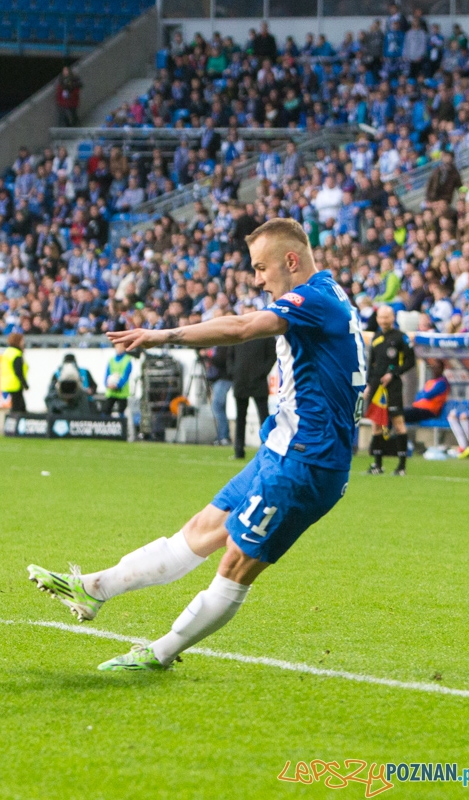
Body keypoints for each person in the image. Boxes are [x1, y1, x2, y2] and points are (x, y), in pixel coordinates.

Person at [28, 218, 365, 672]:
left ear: (291, 260)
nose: (258, 278)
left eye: (261, 267)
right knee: (200, 530)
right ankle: (95, 588)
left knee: (235, 565)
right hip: (282, 450)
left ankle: (159, 653)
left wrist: (161, 335)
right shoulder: (329, 295)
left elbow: (243, 327)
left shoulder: (314, 299)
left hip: (307, 465)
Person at [364, 305, 416, 475]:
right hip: (376, 386)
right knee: (376, 424)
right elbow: (371, 363)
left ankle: (401, 466)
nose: (383, 321)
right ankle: (377, 465)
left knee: (398, 422)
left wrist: (393, 374)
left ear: (393, 318)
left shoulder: (401, 338)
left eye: (386, 317)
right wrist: (368, 385)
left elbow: (410, 362)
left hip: (392, 386)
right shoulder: (376, 337)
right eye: (380, 318)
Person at [225, 307, 277, 460]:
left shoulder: (265, 335)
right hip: (241, 381)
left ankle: (267, 449)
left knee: (264, 418)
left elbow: (272, 356)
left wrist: (261, 373)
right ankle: (238, 450)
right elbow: (230, 356)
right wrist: (234, 372)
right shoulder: (238, 334)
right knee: (240, 418)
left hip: (258, 382)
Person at [402, 358, 449, 426]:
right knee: (398, 413)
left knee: (400, 416)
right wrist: (423, 395)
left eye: (437, 367)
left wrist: (423, 395)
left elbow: (428, 395)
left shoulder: (442, 382)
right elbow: (418, 396)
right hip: (419, 408)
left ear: (442, 369)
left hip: (430, 411)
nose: (435, 370)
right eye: (433, 367)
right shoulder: (430, 382)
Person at [204, 340, 233, 446]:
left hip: (224, 378)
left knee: (217, 406)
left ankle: (223, 436)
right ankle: (222, 435)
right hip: (218, 379)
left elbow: (222, 360)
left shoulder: (224, 344)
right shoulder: (218, 345)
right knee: (219, 406)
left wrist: (208, 356)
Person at [0, 332, 29, 412]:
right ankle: (16, 423)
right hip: (15, 383)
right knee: (18, 407)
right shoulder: (16, 354)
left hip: (8, 383)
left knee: (17, 405)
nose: (23, 343)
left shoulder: (8, 352)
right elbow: (18, 371)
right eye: (22, 341)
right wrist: (24, 384)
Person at [103, 341, 132, 416]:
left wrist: (118, 385)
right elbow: (107, 374)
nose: (119, 348)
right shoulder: (111, 360)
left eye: (121, 346)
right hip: (111, 392)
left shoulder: (127, 360)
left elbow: (126, 376)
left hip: (122, 393)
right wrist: (107, 384)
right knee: (106, 411)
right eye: (117, 346)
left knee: (121, 413)